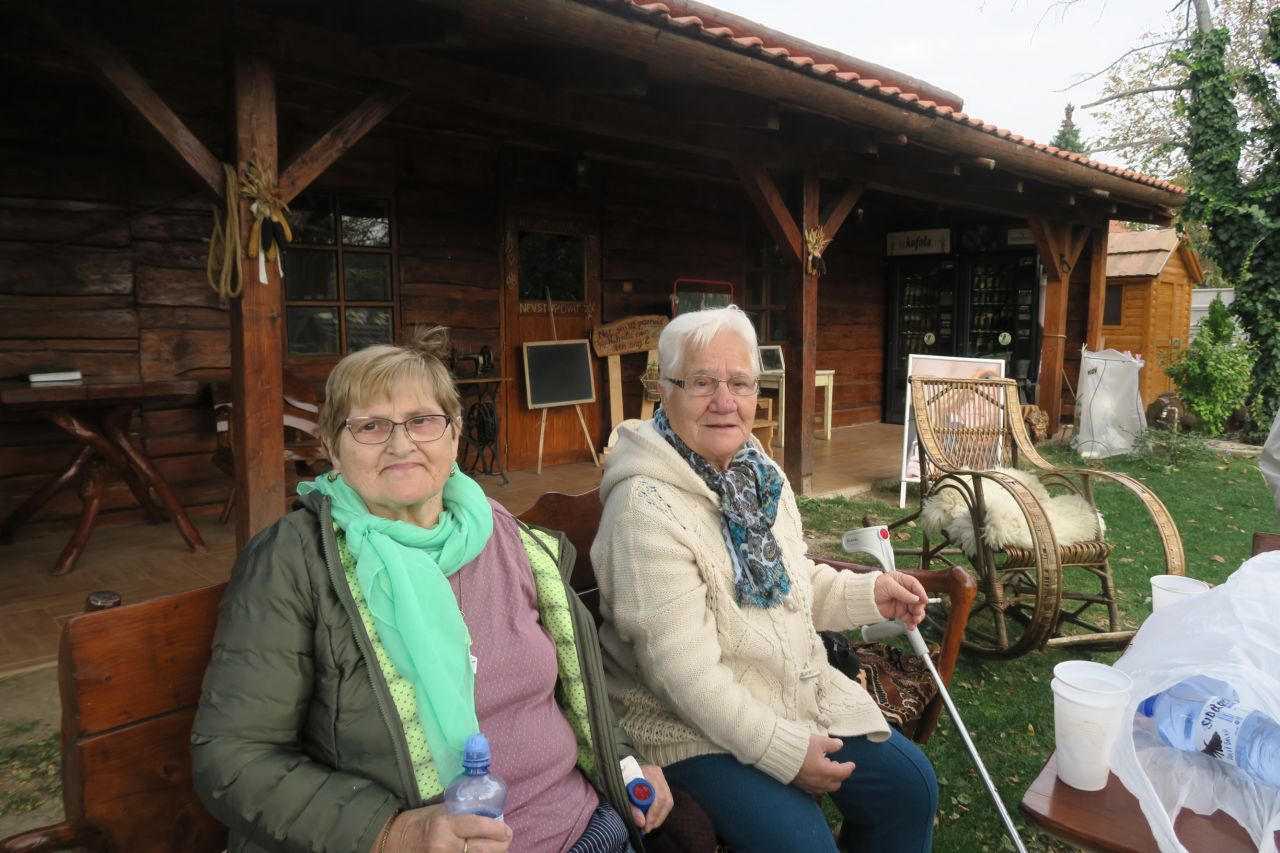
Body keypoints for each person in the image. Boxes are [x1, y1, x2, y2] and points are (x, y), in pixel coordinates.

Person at [192, 327, 672, 853]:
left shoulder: (504, 534)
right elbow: (233, 757)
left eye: (422, 420)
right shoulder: (294, 561)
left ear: (455, 434)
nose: (401, 444)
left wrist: (625, 762)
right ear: (331, 447)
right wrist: (392, 832)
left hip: (589, 828)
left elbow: (574, 695)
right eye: (370, 426)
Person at [591, 306, 938, 852]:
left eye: (740, 383)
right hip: (685, 727)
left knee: (909, 789)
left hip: (786, 690)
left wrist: (870, 593)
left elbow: (793, 583)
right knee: (802, 845)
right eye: (701, 382)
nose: (724, 401)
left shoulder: (758, 474)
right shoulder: (644, 509)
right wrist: (786, 751)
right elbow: (683, 676)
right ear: (665, 391)